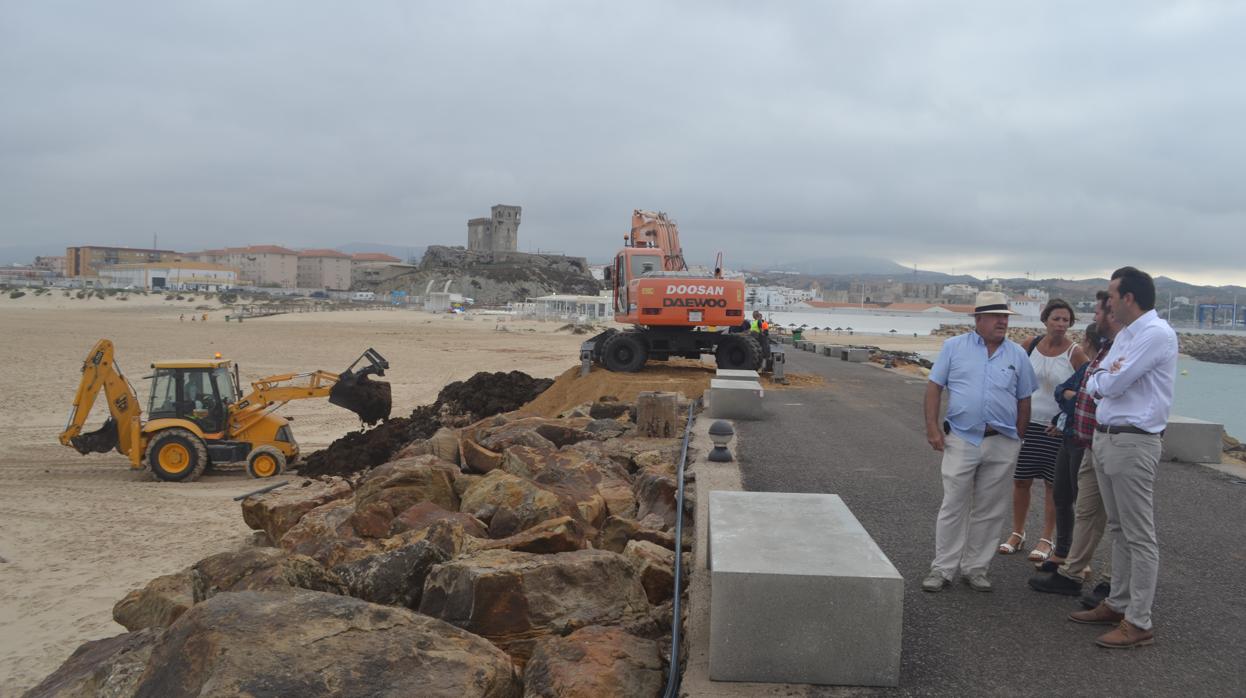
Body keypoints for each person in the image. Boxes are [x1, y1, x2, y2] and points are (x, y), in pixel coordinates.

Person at [1069, 266, 1176, 649]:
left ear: (1128, 297)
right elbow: (1098, 376)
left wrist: (1104, 378)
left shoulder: (1155, 334)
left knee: (1139, 534)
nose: (1107, 302)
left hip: (1133, 442)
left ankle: (1139, 620)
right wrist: (1104, 377)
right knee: (1118, 528)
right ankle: (1118, 603)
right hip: (1108, 438)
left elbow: (1109, 382)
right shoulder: (1128, 335)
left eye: (1112, 295)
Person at [921, 291, 1037, 593]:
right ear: (979, 319)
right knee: (953, 505)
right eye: (997, 316)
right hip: (961, 437)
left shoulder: (1017, 354)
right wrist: (933, 429)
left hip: (1002, 441)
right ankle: (943, 569)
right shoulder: (953, 347)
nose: (1002, 322)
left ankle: (976, 568)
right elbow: (934, 388)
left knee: (991, 508)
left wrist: (1018, 439)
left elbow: (1024, 399)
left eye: (1005, 317)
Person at [1029, 292, 1119, 603]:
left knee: (1113, 518)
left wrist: (1076, 395)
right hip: (1075, 437)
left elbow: (1093, 391)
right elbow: (1068, 391)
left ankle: (1111, 584)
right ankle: (1069, 564)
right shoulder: (1103, 354)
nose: (1093, 316)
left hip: (1101, 440)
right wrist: (1075, 396)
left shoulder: (1121, 350)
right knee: (1069, 500)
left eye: (1097, 311)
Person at [999, 300, 1087, 562]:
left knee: (1053, 485)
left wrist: (1065, 421)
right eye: (1056, 319)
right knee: (1021, 480)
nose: (1060, 324)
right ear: (1045, 320)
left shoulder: (1075, 353)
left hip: (1055, 429)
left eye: (1065, 320)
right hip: (1028, 423)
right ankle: (1017, 533)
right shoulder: (1030, 345)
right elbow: (1013, 378)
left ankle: (1046, 538)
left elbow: (1085, 391)